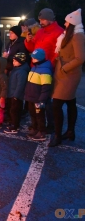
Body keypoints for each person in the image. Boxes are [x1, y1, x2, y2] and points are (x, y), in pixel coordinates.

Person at [49, 9, 85, 147]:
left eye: (66, 21)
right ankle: (70, 131)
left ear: (72, 23)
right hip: (63, 72)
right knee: (70, 102)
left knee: (57, 104)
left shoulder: (78, 36)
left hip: (69, 74)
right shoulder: (68, 35)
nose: (64, 24)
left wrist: (65, 67)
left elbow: (80, 58)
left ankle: (58, 136)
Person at [25, 8, 64, 134]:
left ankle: (50, 124)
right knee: (35, 97)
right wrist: (28, 41)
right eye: (40, 19)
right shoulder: (40, 32)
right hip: (35, 67)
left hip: (47, 69)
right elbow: (33, 48)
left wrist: (50, 66)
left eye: (43, 19)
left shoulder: (59, 32)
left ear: (50, 19)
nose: (40, 22)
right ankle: (37, 123)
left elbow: (58, 53)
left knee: (45, 98)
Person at [25, 48, 53, 141]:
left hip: (38, 99)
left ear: (39, 59)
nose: (32, 59)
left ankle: (41, 132)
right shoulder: (35, 67)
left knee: (40, 116)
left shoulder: (45, 70)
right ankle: (35, 128)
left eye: (34, 58)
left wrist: (42, 100)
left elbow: (46, 87)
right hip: (32, 97)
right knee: (33, 114)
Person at [3, 53, 29, 134]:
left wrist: (16, 96)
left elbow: (20, 85)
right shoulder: (16, 69)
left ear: (20, 61)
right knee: (12, 110)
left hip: (16, 96)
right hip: (12, 94)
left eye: (15, 61)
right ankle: (12, 123)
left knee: (15, 111)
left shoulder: (21, 72)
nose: (13, 62)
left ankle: (15, 126)